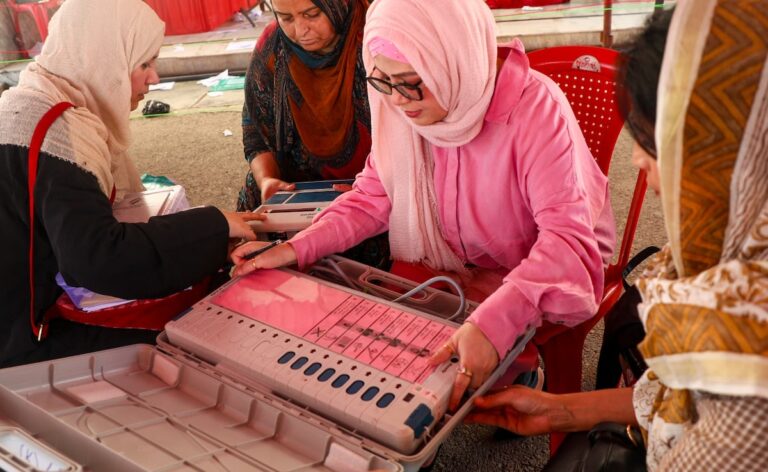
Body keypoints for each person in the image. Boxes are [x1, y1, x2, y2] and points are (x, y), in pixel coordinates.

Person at [232, 0, 615, 410]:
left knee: (422, 373)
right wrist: (293, 248)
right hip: (453, 256)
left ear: (451, 61)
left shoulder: (535, 109)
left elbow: (566, 244)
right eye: (383, 83)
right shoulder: (403, 106)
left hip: (533, 265)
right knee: (374, 357)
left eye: (411, 81)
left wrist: (493, 325)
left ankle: (519, 366)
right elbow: (374, 195)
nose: (398, 102)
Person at [465, 2, 768, 470]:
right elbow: (680, 397)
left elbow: (566, 237)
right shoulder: (737, 251)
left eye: (653, 140)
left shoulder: (749, 378)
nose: (636, 163)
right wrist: (560, 410)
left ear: (722, 147)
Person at [0, 0, 259, 368]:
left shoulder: (23, 104)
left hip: (16, 317)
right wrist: (214, 226)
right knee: (186, 349)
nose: (154, 78)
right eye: (144, 64)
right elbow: (101, 260)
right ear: (104, 59)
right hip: (20, 340)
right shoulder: (59, 133)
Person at [237, 0, 372, 210]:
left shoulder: (375, 39)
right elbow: (256, 129)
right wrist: (267, 180)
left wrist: (376, 186)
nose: (300, 31)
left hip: (379, 185)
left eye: (312, 14)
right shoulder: (274, 45)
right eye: (286, 18)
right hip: (294, 186)